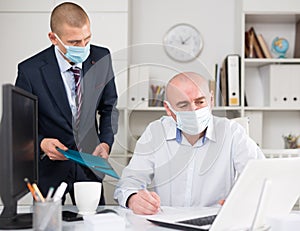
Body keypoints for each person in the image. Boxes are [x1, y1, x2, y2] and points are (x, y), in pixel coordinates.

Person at [114, 72, 265, 215]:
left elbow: (263, 177)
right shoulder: (156, 132)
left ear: (211, 100)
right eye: (183, 105)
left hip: (215, 223)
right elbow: (129, 182)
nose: (193, 110)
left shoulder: (232, 132)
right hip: (166, 223)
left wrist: (244, 199)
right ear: (168, 109)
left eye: (200, 102)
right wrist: (133, 198)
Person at [15, 2, 118, 205]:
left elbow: (109, 108)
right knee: (48, 225)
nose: (83, 48)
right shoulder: (30, 71)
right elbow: (19, 125)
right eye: (74, 42)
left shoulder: (101, 57)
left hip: (90, 167)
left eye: (87, 39)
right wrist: (41, 143)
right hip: (50, 170)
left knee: (96, 224)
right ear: (53, 38)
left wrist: (105, 142)